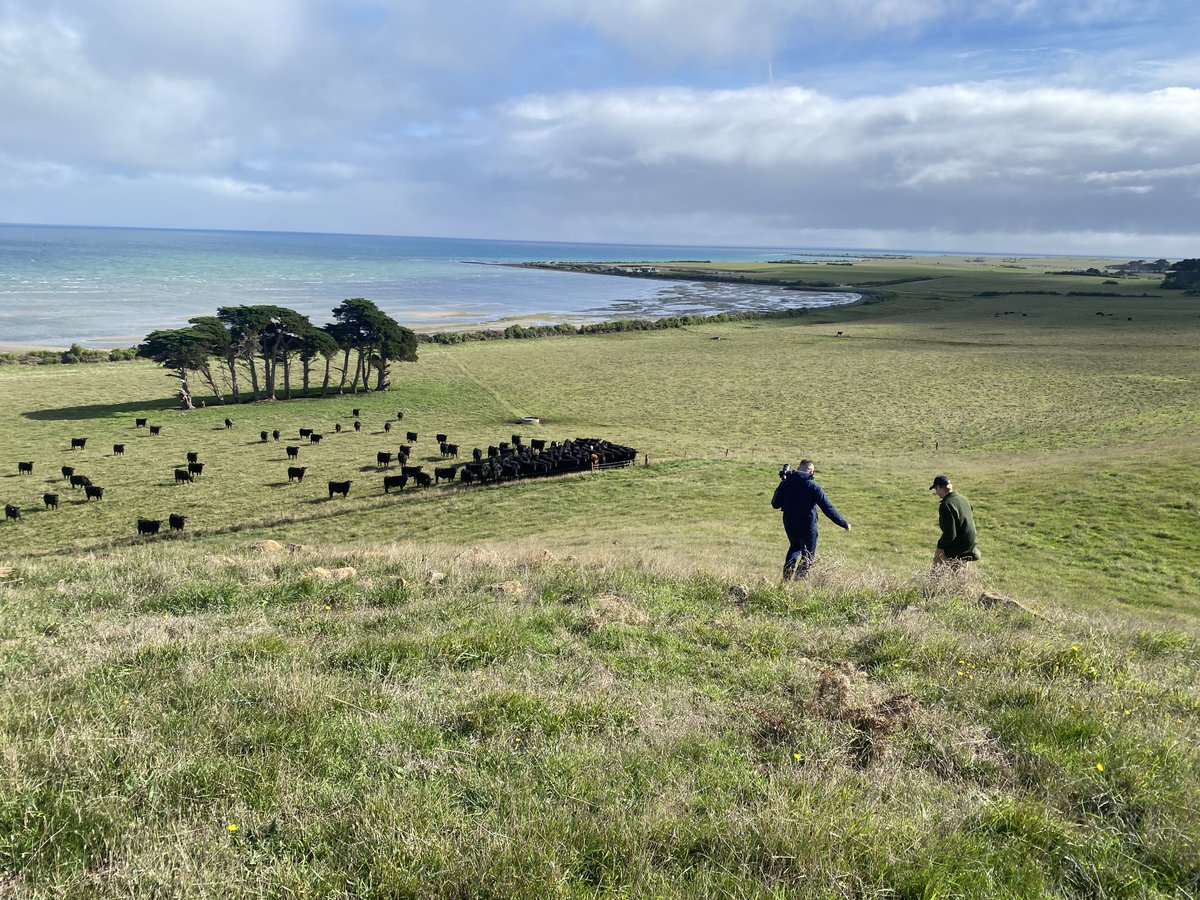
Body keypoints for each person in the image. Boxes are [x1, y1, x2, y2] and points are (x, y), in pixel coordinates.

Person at [771, 459, 851, 580]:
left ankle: (786, 580)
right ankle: (798, 582)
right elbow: (827, 508)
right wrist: (843, 523)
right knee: (808, 555)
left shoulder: (786, 483)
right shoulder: (813, 487)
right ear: (810, 471)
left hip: (790, 523)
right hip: (808, 526)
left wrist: (781, 485)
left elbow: (775, 504)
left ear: (798, 468)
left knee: (794, 548)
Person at [929, 474, 980, 568]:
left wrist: (940, 546)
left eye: (935, 489)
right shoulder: (963, 499)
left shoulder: (946, 505)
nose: (936, 492)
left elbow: (950, 534)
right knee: (961, 574)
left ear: (939, 487)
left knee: (937, 570)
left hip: (957, 548)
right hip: (969, 546)